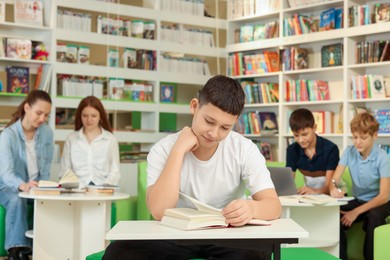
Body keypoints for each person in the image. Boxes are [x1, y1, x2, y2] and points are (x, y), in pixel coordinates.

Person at [103, 75, 281, 259]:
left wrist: (252, 209)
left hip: (228, 234)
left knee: (255, 255)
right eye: (209, 121)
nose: (214, 133)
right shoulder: (163, 149)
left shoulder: (244, 149)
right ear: (194, 106)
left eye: (225, 127)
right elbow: (159, 211)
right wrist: (178, 151)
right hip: (176, 233)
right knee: (119, 253)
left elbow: (273, 205)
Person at [0, 90, 53, 260]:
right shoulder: (8, 136)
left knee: (50, 202)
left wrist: (43, 186)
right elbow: (6, 174)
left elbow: (46, 168)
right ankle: (16, 251)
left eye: (46, 115)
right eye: (39, 113)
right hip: (9, 186)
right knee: (17, 199)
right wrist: (23, 185)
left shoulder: (47, 133)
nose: (42, 119)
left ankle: (44, 247)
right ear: (27, 108)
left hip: (35, 186)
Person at [329, 112, 390, 260]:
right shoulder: (349, 152)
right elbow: (334, 179)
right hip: (358, 199)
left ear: (374, 135)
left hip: (381, 202)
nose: (358, 142)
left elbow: (384, 196)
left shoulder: (383, 157)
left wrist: (355, 212)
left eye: (363, 138)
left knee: (374, 217)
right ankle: (340, 257)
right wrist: (332, 188)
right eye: (355, 137)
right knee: (331, 214)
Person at [60, 96, 120, 188]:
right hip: (76, 191)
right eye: (85, 116)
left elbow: (115, 172)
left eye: (93, 116)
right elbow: (65, 170)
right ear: (80, 116)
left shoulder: (110, 139)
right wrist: (78, 186)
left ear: (100, 116)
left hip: (103, 191)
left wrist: (104, 188)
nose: (89, 120)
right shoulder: (71, 139)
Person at [286, 108, 339, 194]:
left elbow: (330, 187)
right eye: (296, 135)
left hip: (333, 194)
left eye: (304, 134)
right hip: (309, 196)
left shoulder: (331, 149)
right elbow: (288, 184)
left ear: (315, 127)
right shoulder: (292, 150)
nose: (300, 140)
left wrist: (314, 191)